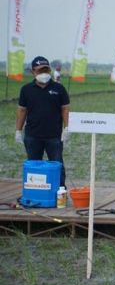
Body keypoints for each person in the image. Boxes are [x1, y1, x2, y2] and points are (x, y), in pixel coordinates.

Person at [15, 56, 70, 187]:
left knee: (57, 165)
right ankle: (36, 190)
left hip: (54, 136)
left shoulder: (59, 88)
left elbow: (65, 110)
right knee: (34, 166)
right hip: (33, 136)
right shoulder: (26, 89)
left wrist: (67, 128)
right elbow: (22, 110)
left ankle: (60, 191)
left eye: (46, 70)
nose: (43, 73)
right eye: (40, 71)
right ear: (33, 72)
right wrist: (18, 130)